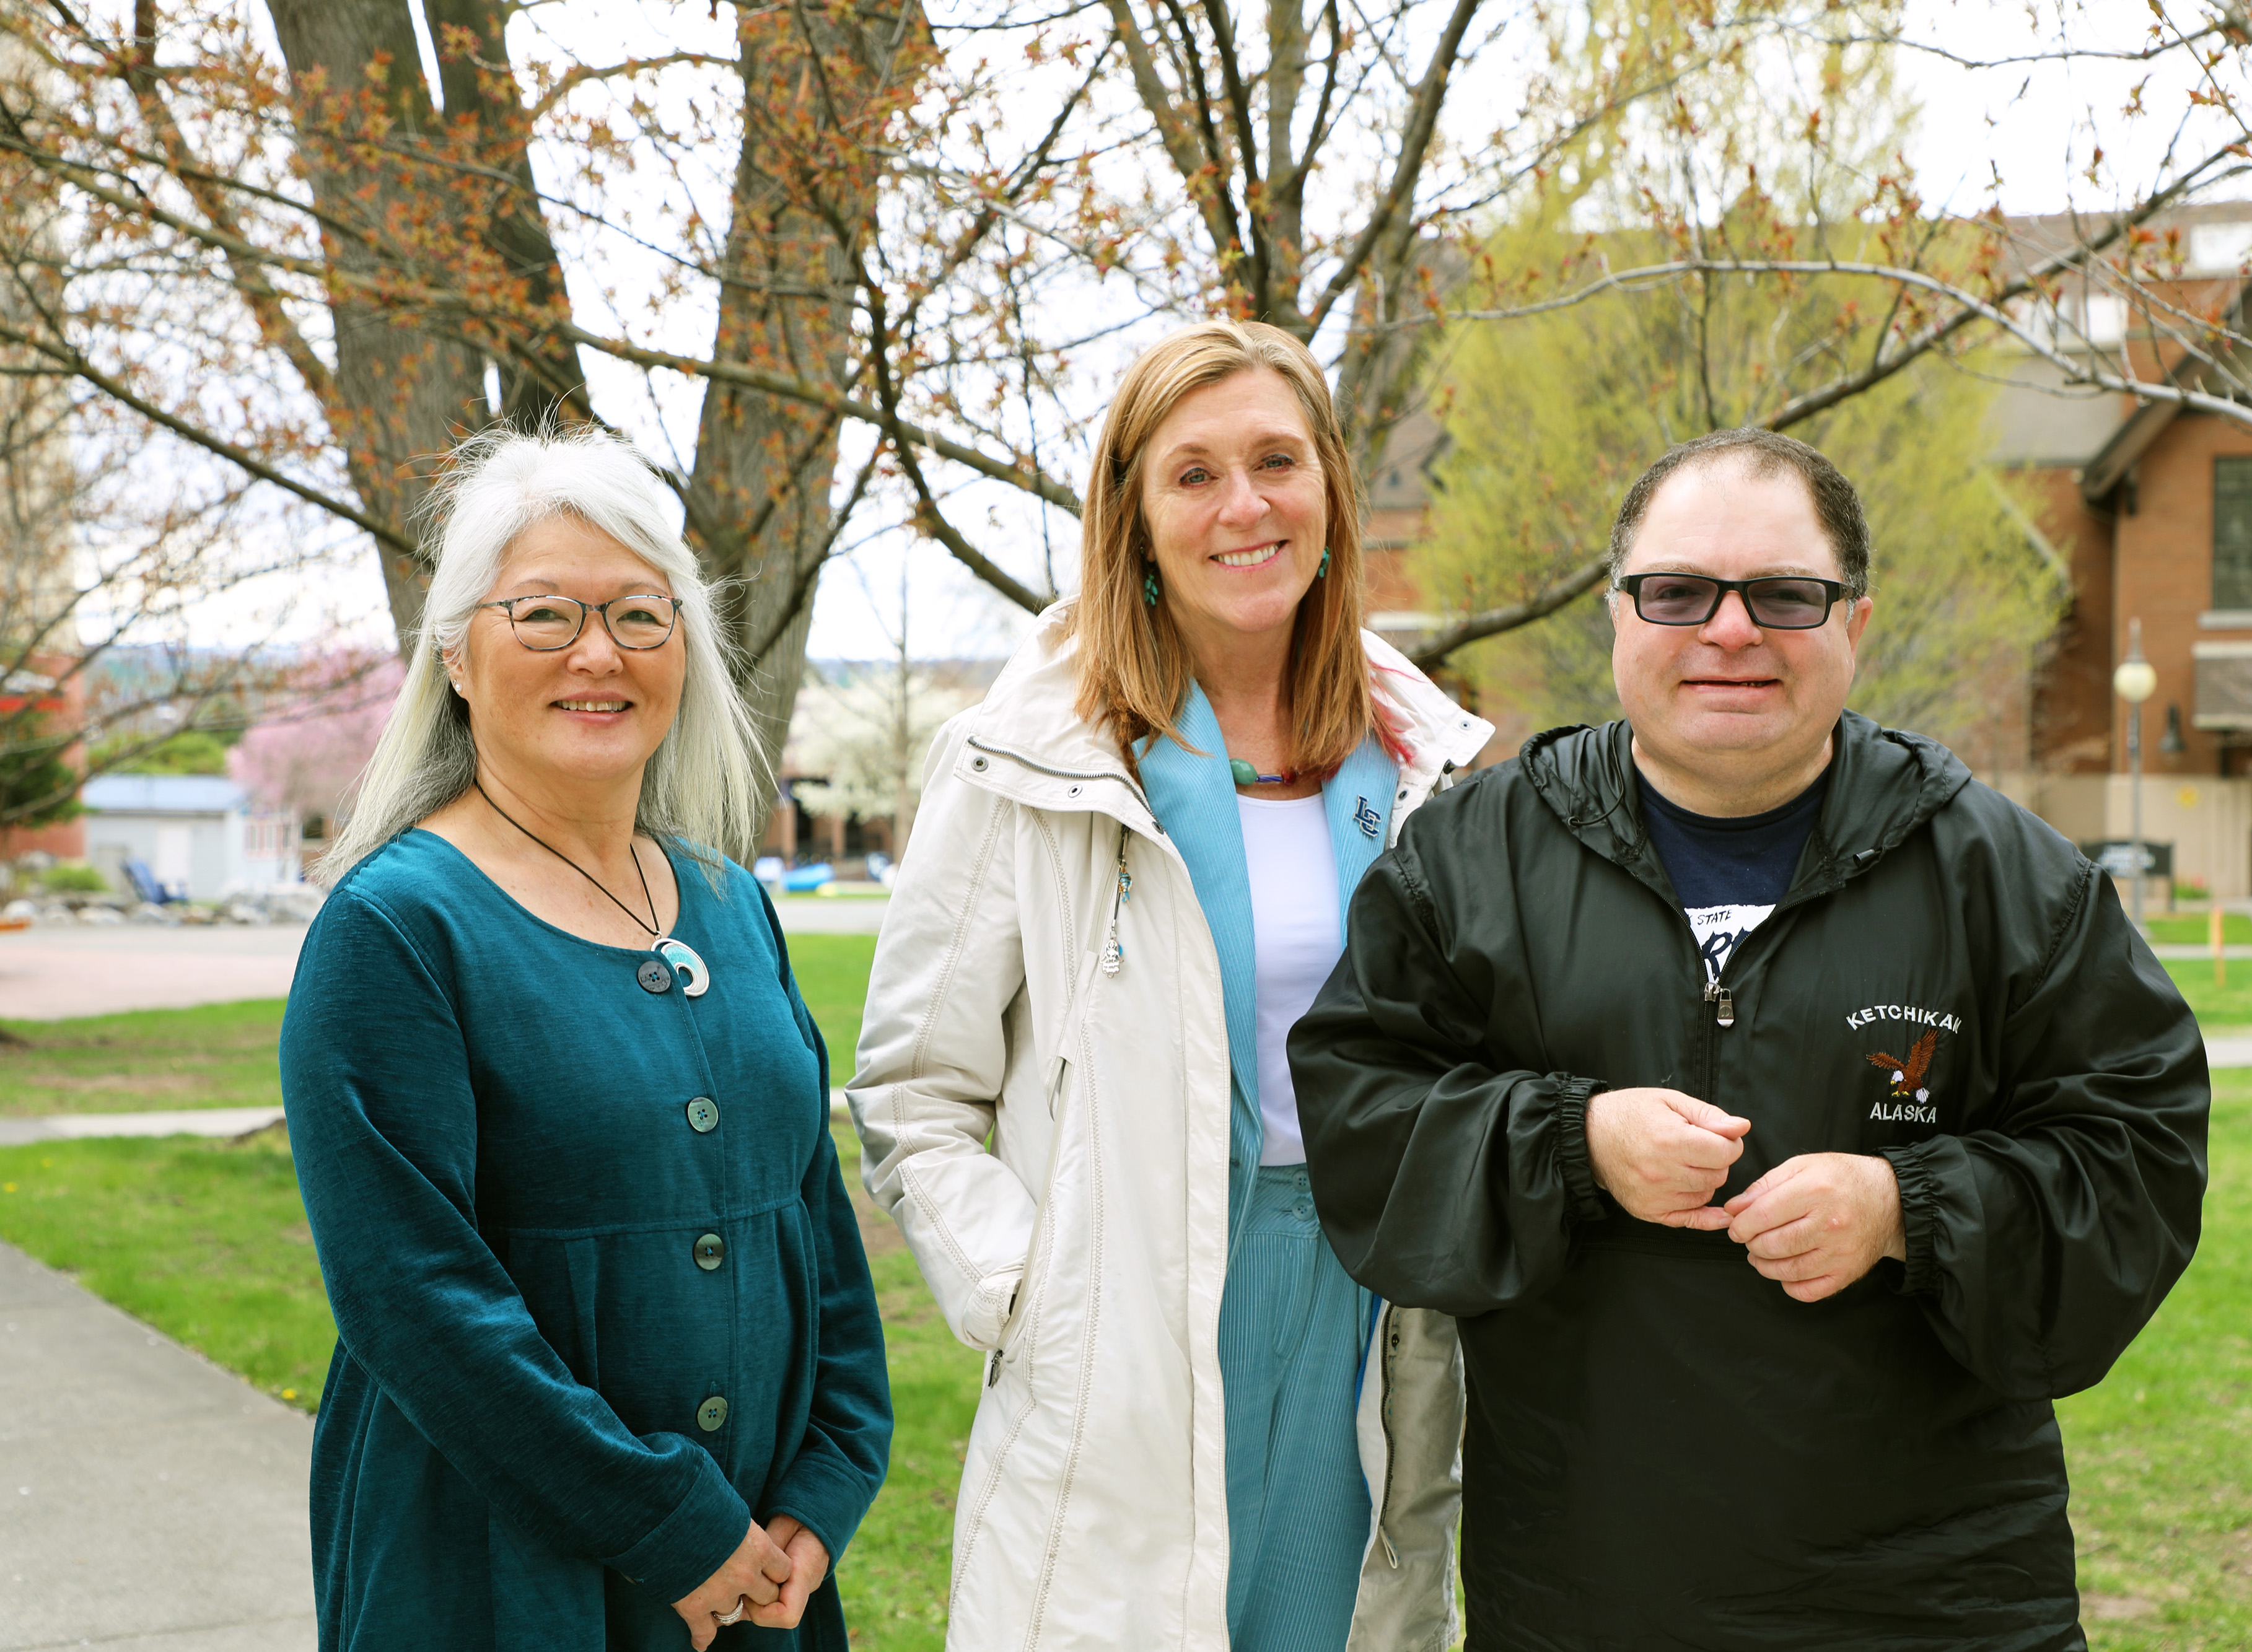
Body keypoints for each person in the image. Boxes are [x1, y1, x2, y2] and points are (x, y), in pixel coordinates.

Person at [1289, 427, 2210, 1651]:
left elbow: (2138, 1161)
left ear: (1855, 625)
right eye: (1676, 591)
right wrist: (1572, 1138)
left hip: (1936, 1593)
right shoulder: (1473, 864)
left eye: (1783, 594)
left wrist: (1906, 1207)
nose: (1729, 630)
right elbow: (1359, 1115)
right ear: (1618, 614)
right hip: (1590, 1588)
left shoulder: (2001, 877)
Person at [846, 320, 1489, 1652]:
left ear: (1329, 493)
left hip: (1367, 1302)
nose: (1242, 505)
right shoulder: (1024, 760)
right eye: (1192, 474)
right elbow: (912, 1089)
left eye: (1275, 461)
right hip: (1123, 1323)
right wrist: (1032, 1294)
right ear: (1133, 517)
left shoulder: (1427, 765)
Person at [283, 426, 892, 1651]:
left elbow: (812, 1222)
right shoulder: (396, 930)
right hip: (497, 1582)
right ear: (457, 651)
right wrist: (666, 1521)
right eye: (546, 615)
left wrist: (823, 1485)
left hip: (756, 1577)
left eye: (638, 615)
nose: (598, 653)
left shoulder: (731, 904)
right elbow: (416, 1298)